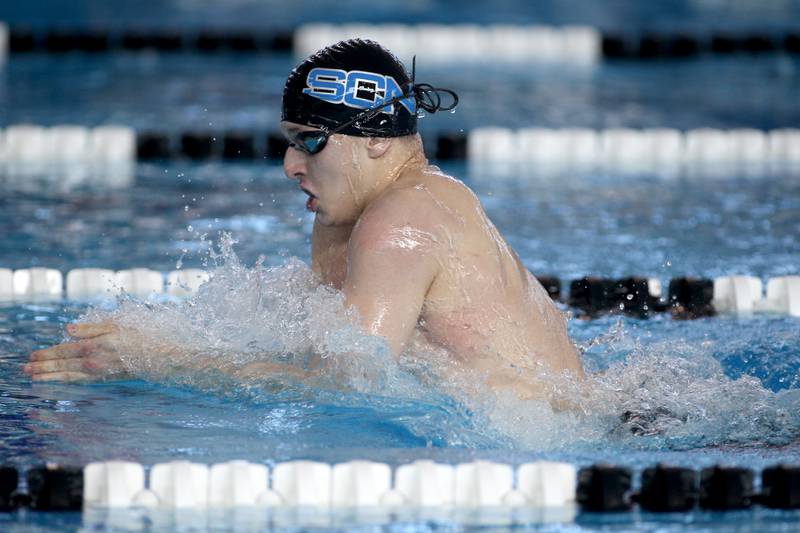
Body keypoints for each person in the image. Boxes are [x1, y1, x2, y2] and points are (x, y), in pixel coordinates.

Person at [25, 39, 583, 403]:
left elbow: (346, 389)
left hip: (557, 441)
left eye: (310, 142)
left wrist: (160, 359)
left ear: (375, 142)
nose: (291, 165)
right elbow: (328, 352)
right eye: (288, 143)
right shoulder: (356, 213)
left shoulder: (402, 223)